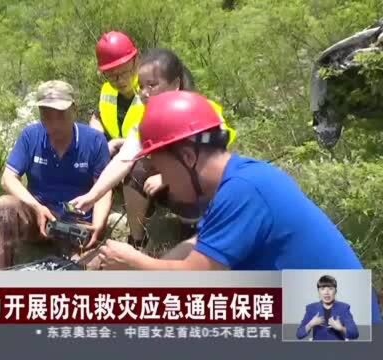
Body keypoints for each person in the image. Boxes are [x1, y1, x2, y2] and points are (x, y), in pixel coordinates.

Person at [96, 90, 382, 323]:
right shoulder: (239, 177)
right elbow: (198, 246)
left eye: (162, 168)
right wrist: (145, 269)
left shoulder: (243, 191)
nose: (165, 181)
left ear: (187, 156)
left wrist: (134, 263)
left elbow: (192, 282)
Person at [71, 48, 236, 247]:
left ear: (175, 84)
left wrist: (166, 178)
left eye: (152, 85)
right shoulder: (148, 120)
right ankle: (138, 240)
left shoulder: (201, 111)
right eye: (140, 86)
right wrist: (92, 195)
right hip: (175, 185)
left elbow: (213, 165)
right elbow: (123, 160)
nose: (143, 93)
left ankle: (199, 232)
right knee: (137, 169)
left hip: (208, 189)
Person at [0, 80, 112, 270]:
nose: (53, 123)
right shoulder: (31, 136)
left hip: (76, 222)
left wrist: (98, 225)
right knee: (2, 207)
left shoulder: (93, 140)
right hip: (38, 216)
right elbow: (8, 178)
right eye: (46, 115)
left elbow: (104, 188)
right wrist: (35, 207)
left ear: (74, 110)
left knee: (91, 266)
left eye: (60, 115)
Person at [88, 31, 149, 247]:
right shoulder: (108, 91)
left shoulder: (150, 88)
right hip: (116, 156)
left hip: (144, 156)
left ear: (136, 59)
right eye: (112, 75)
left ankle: (137, 241)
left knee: (136, 169)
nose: (119, 80)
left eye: (124, 72)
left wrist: (123, 145)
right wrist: (98, 142)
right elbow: (97, 117)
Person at [296, 275, 359, 341]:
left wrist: (341, 328)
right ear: (318, 291)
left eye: (330, 289)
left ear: (335, 291)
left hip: (338, 349)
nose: (326, 292)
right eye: (322, 289)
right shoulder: (311, 308)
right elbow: (299, 334)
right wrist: (310, 324)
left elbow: (355, 334)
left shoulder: (344, 308)